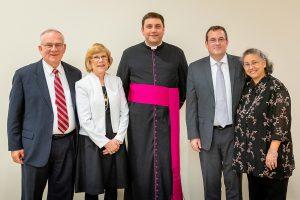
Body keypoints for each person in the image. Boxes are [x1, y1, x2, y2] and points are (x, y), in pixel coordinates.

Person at [117, 12, 188, 200]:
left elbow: (184, 86)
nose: (153, 30)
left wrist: (170, 105)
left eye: (157, 26)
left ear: (164, 29)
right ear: (142, 30)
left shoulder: (177, 53)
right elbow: (121, 89)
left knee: (166, 161)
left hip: (167, 119)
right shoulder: (129, 53)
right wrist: (134, 111)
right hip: (138, 120)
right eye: (149, 26)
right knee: (139, 162)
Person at [7, 29, 82, 200]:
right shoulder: (24, 75)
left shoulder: (75, 74)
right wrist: (14, 145)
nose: (53, 49)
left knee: (63, 195)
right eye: (49, 45)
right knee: (31, 195)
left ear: (64, 48)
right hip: (34, 146)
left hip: (67, 145)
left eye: (58, 45)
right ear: (40, 48)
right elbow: (14, 114)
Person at [186, 25, 244, 200]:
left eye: (221, 39)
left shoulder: (240, 64)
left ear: (227, 42)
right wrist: (193, 135)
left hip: (234, 133)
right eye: (213, 39)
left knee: (234, 183)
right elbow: (191, 104)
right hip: (207, 135)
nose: (217, 43)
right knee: (210, 184)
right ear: (206, 43)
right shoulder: (195, 68)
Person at [232, 48, 295, 200]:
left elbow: (281, 122)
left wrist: (272, 152)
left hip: (271, 156)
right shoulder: (247, 88)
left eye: (254, 62)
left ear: (264, 63)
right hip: (253, 159)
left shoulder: (276, 87)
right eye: (247, 64)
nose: (251, 67)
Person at [75, 43, 129, 200]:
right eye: (96, 57)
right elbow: (85, 119)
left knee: (113, 184)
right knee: (93, 186)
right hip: (93, 140)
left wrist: (118, 139)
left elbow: (124, 112)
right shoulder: (82, 84)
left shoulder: (116, 81)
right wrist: (105, 142)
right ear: (89, 62)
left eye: (103, 57)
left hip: (115, 137)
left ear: (109, 60)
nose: (100, 60)